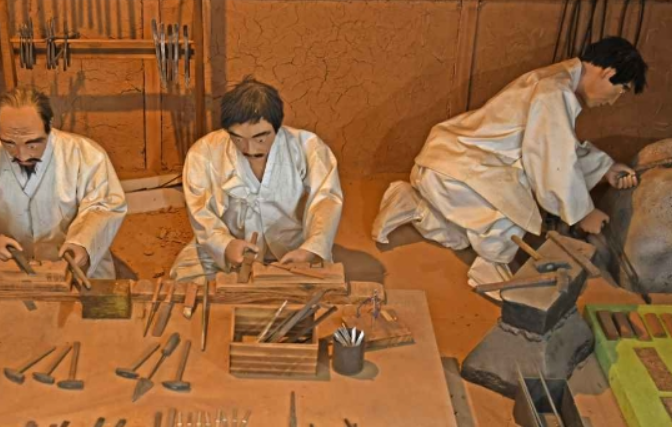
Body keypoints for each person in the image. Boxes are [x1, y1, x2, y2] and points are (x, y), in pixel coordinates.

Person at [372, 36, 647, 292]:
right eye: (621, 89)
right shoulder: (554, 91)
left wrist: (606, 168)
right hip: (459, 169)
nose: (614, 100)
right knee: (515, 214)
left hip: (445, 164)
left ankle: (413, 205)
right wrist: (582, 213)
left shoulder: (554, 81)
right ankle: (490, 269)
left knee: (460, 236)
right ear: (608, 73)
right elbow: (554, 162)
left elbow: (560, 144)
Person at [0, 86, 127, 278]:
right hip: (5, 265)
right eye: (9, 143)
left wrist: (83, 242)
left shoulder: (87, 155)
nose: (22, 155)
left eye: (32, 143)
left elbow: (103, 205)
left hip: (72, 267)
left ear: (49, 125)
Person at [171, 77, 344, 282]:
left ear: (277, 127)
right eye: (237, 138)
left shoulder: (307, 147)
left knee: (314, 288)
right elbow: (200, 211)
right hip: (232, 247)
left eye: (260, 138)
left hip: (292, 249)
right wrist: (225, 244)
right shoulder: (203, 153)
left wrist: (309, 249)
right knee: (186, 278)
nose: (249, 149)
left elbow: (326, 198)